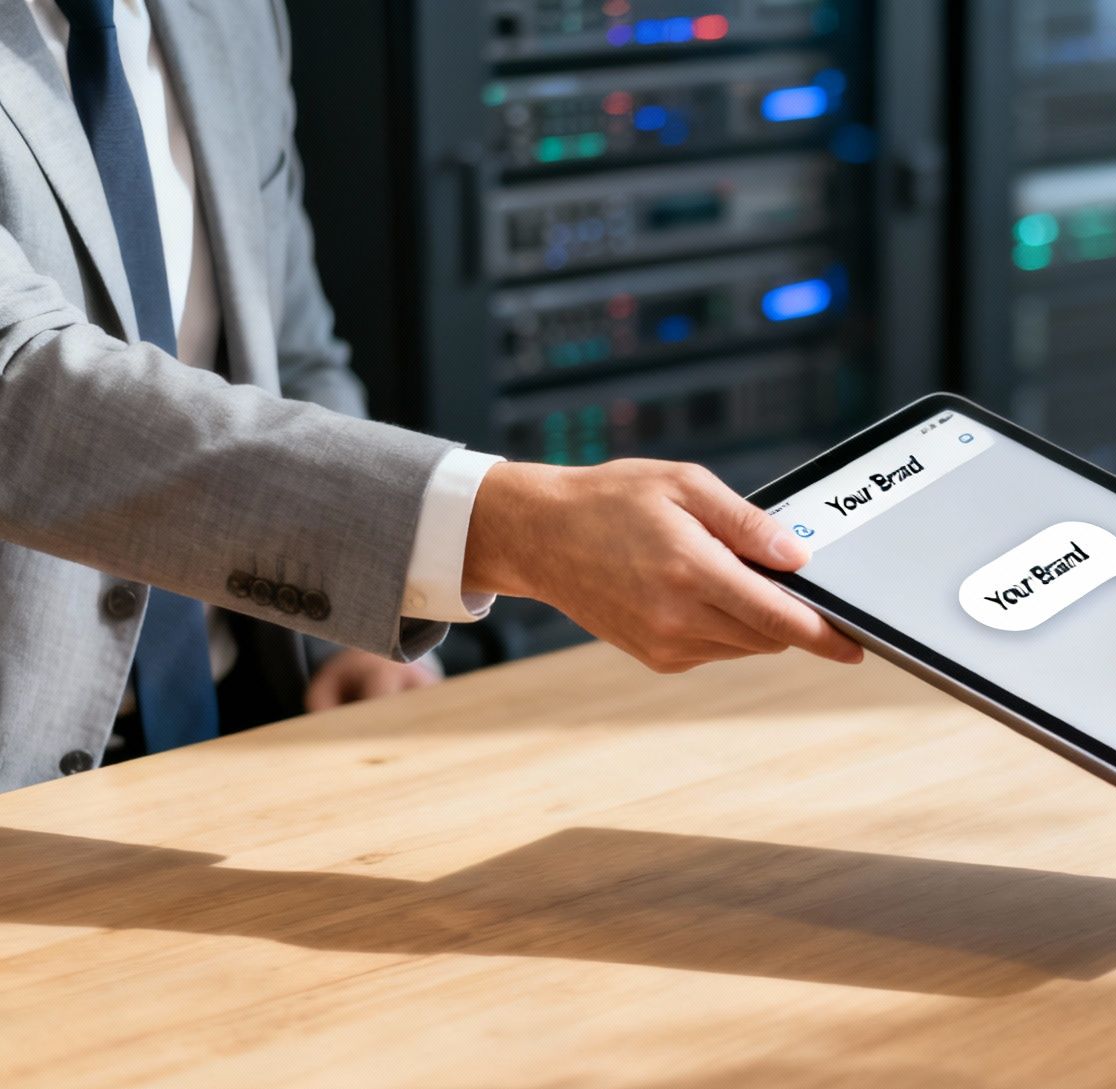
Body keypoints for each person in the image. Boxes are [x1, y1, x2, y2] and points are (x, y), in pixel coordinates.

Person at [0, 0, 858, 791]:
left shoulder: (225, 12)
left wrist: (348, 631)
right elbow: (27, 392)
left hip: (239, 729)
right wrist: (512, 527)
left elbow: (290, 353)